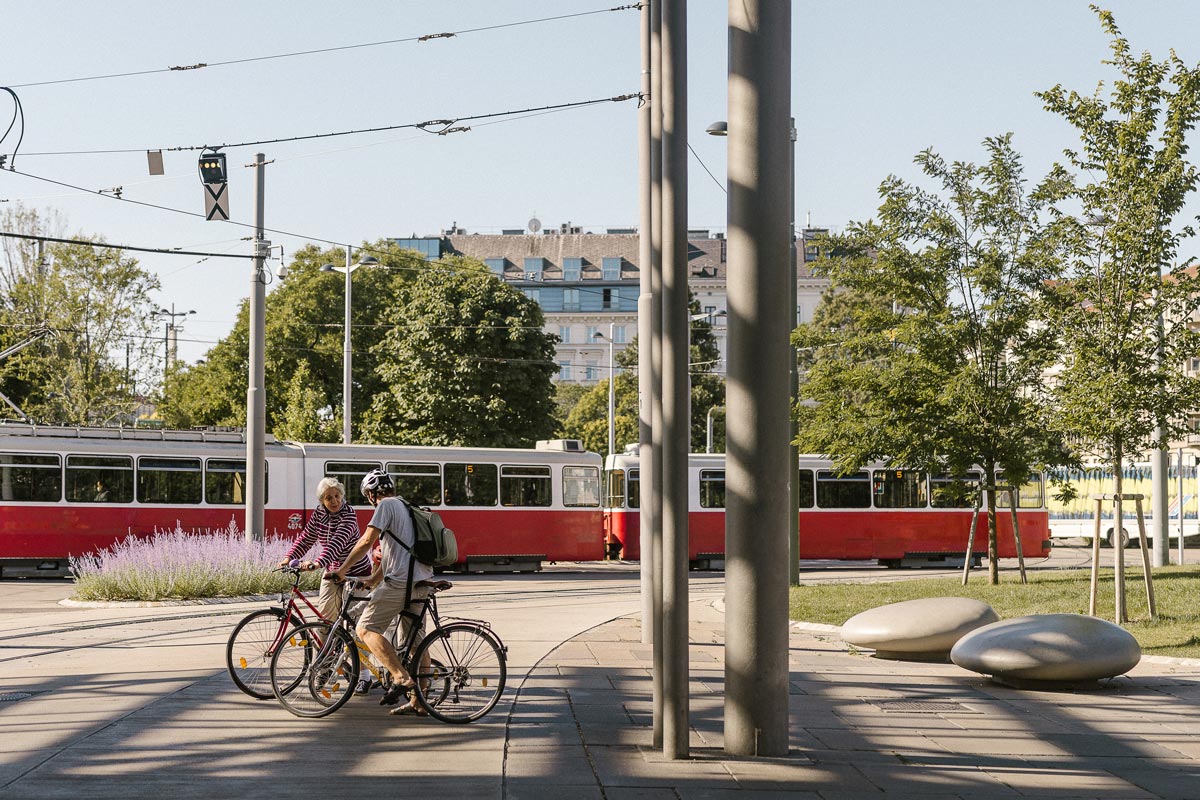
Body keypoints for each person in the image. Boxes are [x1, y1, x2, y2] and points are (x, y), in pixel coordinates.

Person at [331, 468, 433, 715]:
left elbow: (367, 541)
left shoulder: (385, 505)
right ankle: (419, 702)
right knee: (415, 644)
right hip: (422, 581)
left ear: (370, 494)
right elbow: (393, 553)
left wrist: (342, 570)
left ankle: (399, 676)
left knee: (365, 628)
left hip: (400, 583)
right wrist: (372, 579)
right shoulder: (407, 506)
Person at [278, 477, 372, 623]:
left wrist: (317, 563)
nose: (334, 501)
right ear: (322, 500)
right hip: (332, 571)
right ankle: (326, 645)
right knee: (325, 618)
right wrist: (288, 558)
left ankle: (353, 645)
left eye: (337, 496)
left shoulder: (349, 514)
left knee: (353, 620)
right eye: (329, 498)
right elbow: (306, 538)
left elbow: (336, 543)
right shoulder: (319, 514)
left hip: (356, 572)